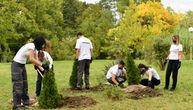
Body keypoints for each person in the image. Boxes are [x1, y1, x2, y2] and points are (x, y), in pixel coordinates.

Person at [11, 36, 48, 110]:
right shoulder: (31, 46)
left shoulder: (36, 50)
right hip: (16, 65)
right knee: (18, 85)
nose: (43, 46)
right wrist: (42, 65)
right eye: (42, 44)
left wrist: (43, 70)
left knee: (25, 84)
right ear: (39, 43)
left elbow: (36, 61)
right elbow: (31, 59)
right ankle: (16, 105)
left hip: (22, 65)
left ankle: (26, 102)